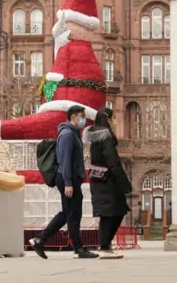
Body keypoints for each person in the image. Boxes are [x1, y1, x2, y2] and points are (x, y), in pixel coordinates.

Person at [29, 105, 98, 259]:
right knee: (73, 213)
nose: (83, 119)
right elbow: (64, 160)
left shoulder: (72, 133)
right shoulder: (67, 134)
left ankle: (40, 239)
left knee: (68, 213)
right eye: (81, 115)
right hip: (68, 178)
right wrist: (68, 182)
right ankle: (78, 249)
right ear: (73, 117)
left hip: (70, 177)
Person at [82, 107, 132, 259]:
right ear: (108, 119)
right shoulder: (106, 136)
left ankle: (106, 245)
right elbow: (113, 160)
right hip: (108, 180)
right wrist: (124, 183)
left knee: (113, 212)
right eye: (113, 118)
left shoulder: (92, 137)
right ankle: (104, 246)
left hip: (97, 179)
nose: (115, 121)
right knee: (111, 213)